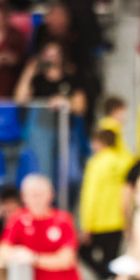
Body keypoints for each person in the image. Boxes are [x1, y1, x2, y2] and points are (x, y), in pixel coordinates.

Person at [14, 40, 87, 178]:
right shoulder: (38, 80)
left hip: (66, 131)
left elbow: (81, 107)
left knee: (71, 174)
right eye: (48, 55)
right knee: (44, 171)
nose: (52, 59)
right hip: (43, 129)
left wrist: (65, 101)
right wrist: (29, 71)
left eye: (55, 54)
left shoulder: (71, 78)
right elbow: (19, 99)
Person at [78, 129, 129, 280]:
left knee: (83, 251)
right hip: (118, 220)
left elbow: (90, 195)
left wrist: (86, 224)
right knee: (112, 259)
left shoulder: (96, 163)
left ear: (99, 142)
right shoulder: (123, 162)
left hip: (99, 221)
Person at [97, 96, 134, 162]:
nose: (125, 115)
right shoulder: (111, 127)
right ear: (114, 111)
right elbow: (118, 152)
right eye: (123, 111)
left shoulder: (110, 126)